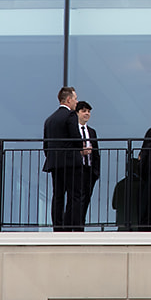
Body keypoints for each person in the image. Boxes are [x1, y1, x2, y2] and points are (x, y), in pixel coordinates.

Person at [42, 87, 84, 231]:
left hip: (55, 163)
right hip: (71, 162)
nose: (77, 102)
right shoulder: (71, 115)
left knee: (58, 196)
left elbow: (46, 145)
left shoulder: (49, 119)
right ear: (68, 99)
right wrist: (81, 146)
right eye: (75, 99)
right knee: (75, 195)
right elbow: (76, 139)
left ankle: (58, 227)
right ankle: (72, 226)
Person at [75, 101, 101, 229]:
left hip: (89, 171)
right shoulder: (74, 130)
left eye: (89, 111)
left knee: (86, 199)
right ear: (77, 113)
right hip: (77, 170)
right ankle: (76, 225)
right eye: (84, 111)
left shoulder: (92, 132)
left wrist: (96, 172)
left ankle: (81, 223)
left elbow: (96, 153)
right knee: (77, 199)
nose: (87, 114)